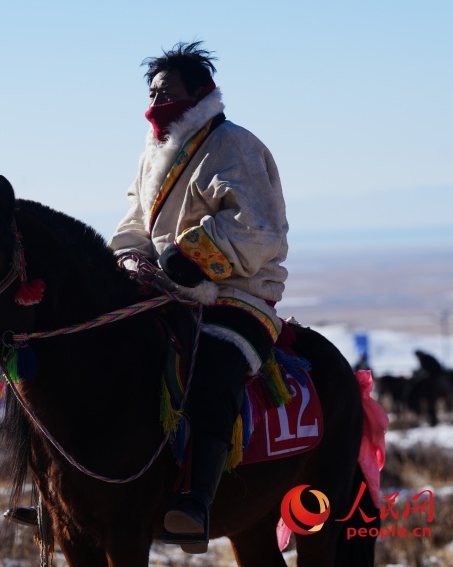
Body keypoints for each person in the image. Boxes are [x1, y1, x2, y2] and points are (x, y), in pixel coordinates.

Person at [109, 41, 289, 554]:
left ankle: (196, 501)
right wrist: (128, 261)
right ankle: (88, 492)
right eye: (151, 90)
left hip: (237, 293)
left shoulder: (234, 145)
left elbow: (259, 228)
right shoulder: (151, 154)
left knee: (212, 369)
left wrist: (191, 255)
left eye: (167, 89)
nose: (156, 98)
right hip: (164, 292)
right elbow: (132, 224)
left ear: (200, 92)